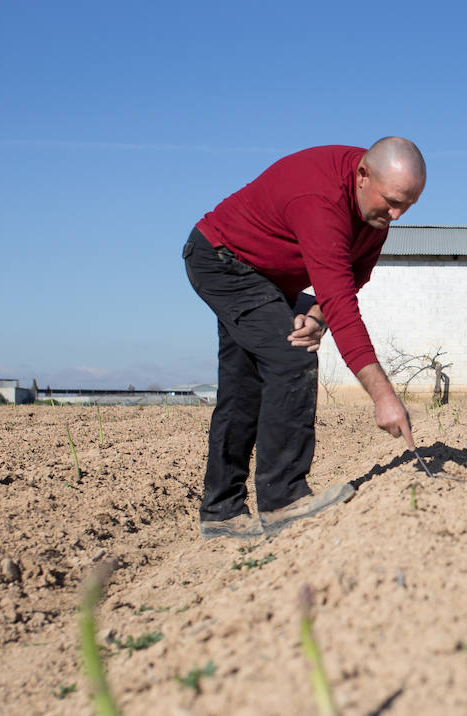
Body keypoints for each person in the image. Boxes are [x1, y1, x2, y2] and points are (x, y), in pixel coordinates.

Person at [182, 137, 425, 539]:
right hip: (222, 259)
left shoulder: (374, 216)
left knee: (244, 387)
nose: (397, 215)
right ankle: (284, 502)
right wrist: (384, 397)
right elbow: (342, 305)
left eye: (408, 205)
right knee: (292, 355)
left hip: (266, 279)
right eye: (393, 200)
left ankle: (221, 512)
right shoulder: (321, 198)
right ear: (363, 175)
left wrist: (316, 314)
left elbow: (353, 277)